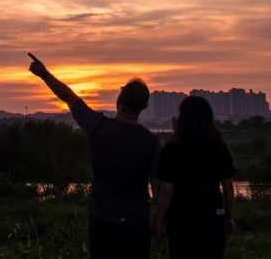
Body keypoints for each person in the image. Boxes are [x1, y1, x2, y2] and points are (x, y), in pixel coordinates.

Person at [28, 52, 162, 259]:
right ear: (144, 106)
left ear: (119, 100)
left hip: (103, 222)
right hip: (136, 225)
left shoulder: (98, 126)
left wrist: (44, 74)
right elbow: (159, 187)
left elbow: (70, 97)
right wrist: (159, 221)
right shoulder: (151, 142)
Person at [154, 96, 236, 258]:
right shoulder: (219, 146)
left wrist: (159, 220)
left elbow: (166, 190)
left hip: (181, 217)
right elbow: (228, 186)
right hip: (213, 214)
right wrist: (229, 216)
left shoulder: (172, 148)